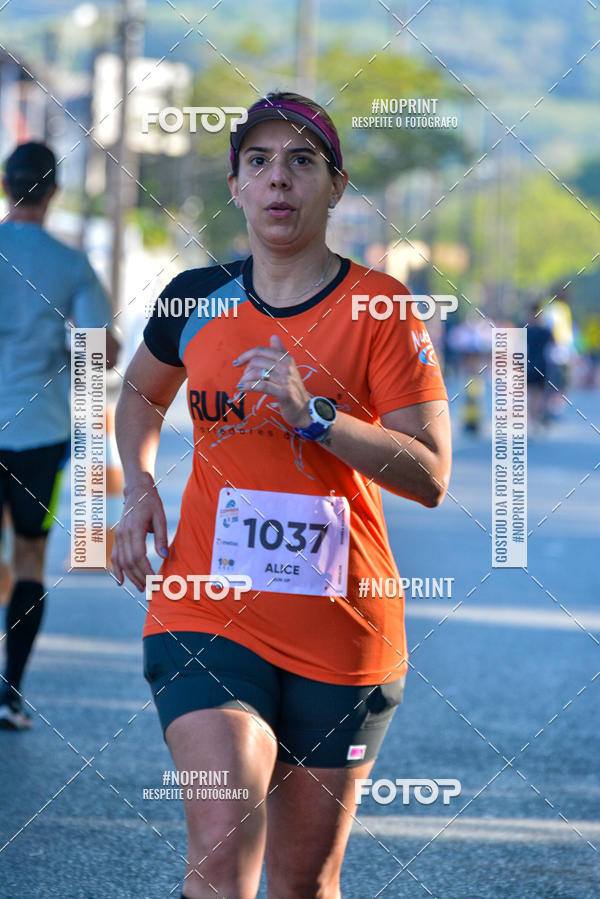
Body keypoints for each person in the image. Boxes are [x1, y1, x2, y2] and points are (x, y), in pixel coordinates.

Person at [112, 92, 451, 899]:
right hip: (206, 608)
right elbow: (139, 393)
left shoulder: (381, 307)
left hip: (344, 625)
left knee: (303, 881)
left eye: (302, 162)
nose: (279, 179)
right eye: (259, 162)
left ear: (336, 187)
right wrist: (138, 485)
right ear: (236, 185)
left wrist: (316, 416)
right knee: (222, 846)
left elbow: (431, 473)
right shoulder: (195, 297)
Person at [0, 141, 120, 729]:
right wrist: (63, 355)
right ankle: (9, 695)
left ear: (4, 184)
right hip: (39, 433)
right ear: (53, 192)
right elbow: (103, 353)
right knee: (28, 559)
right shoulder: (71, 264)